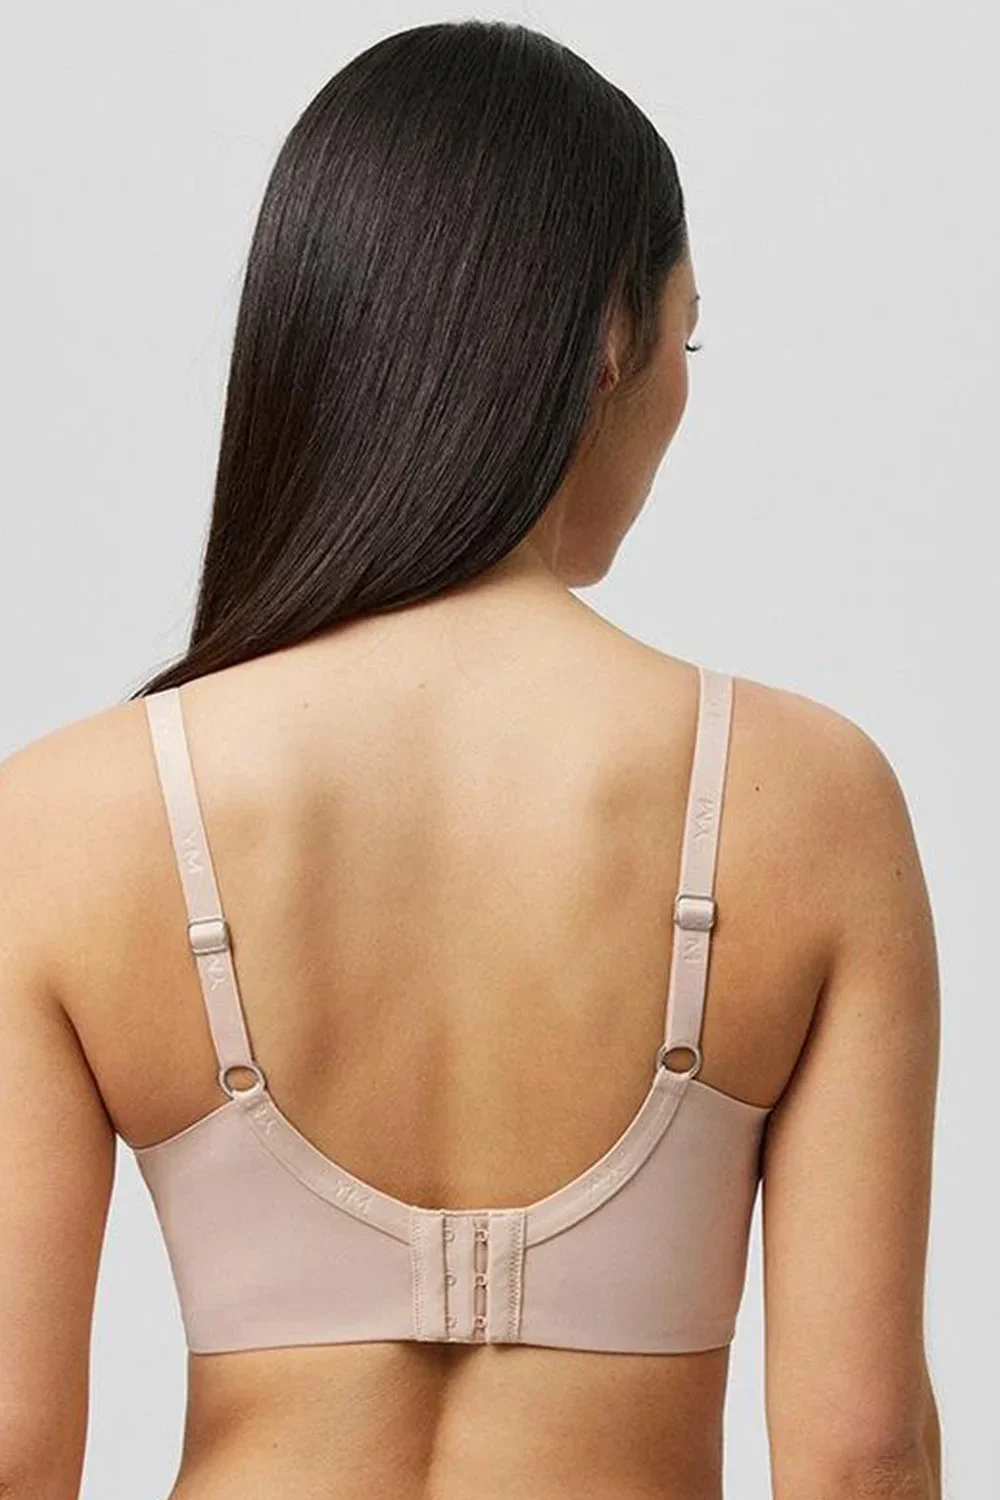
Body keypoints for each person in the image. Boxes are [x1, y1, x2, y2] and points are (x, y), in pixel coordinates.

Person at [0, 19, 942, 1500]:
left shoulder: (65, 818)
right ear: (612, 341)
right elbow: (860, 1456)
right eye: (686, 337)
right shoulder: (810, 800)